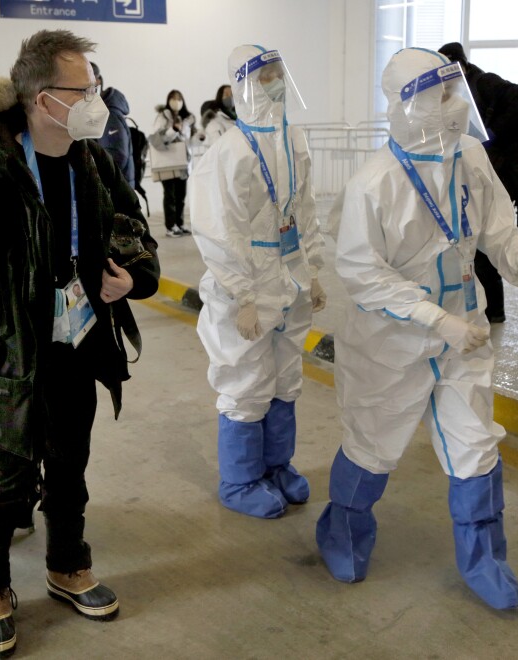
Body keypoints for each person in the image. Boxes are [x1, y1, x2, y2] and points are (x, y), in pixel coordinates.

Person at [0, 30, 160, 657]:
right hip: (9, 357)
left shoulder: (94, 162)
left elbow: (137, 234)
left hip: (78, 344)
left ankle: (67, 565)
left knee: (71, 467)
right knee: (4, 478)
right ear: (41, 99)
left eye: (95, 88)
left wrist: (134, 278)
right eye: (82, 90)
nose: (94, 101)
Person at [315, 47, 518, 610]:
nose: (455, 105)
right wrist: (434, 319)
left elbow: (500, 227)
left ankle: (485, 562)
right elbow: (362, 273)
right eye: (442, 93)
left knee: (476, 447)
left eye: (457, 92)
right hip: (391, 342)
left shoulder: (469, 156)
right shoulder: (373, 184)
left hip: (465, 334)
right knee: (373, 446)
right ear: (409, 104)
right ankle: (343, 535)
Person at [190, 45, 326, 520]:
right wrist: (242, 294)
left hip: (288, 279)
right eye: (265, 74)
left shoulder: (294, 140)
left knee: (286, 379)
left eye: (278, 72)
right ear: (243, 84)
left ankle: (276, 467)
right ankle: (241, 479)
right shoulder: (226, 152)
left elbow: (305, 211)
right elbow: (218, 230)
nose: (275, 82)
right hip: (248, 282)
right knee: (247, 380)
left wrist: (312, 270)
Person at [438, 42, 518, 324]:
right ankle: (490, 309)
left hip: (500, 170)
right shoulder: (459, 89)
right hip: (482, 170)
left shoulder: (483, 82)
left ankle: (493, 310)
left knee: (483, 237)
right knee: (478, 237)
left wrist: (492, 133)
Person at [152, 90, 196, 237]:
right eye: (173, 98)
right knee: (170, 195)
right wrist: (173, 130)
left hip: (183, 162)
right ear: (168, 100)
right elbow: (157, 138)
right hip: (168, 161)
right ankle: (170, 226)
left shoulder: (187, 119)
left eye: (178, 98)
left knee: (181, 195)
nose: (176, 101)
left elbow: (189, 140)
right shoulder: (162, 117)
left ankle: (180, 223)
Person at [90, 61, 137, 190]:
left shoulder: (109, 113)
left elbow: (117, 156)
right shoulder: (100, 110)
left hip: (118, 191)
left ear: (97, 82)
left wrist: (94, 177)